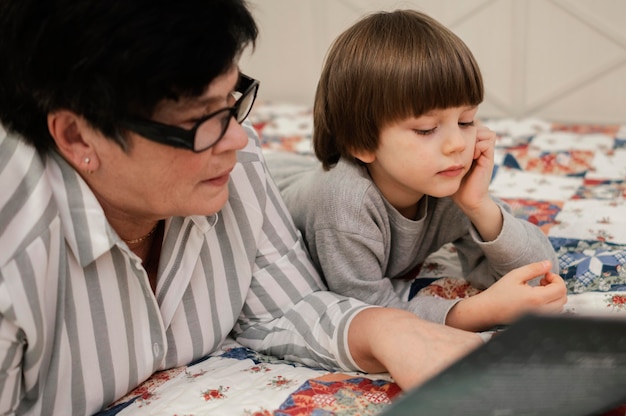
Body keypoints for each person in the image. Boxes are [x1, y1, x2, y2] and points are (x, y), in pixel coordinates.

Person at [0, 1, 490, 414]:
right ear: (77, 135)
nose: (237, 137)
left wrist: (388, 328)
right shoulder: (15, 250)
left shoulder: (239, 162)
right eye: (199, 119)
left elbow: (287, 306)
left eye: (231, 101)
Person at [266, 10, 567, 333]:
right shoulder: (345, 203)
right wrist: (476, 311)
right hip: (278, 182)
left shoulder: (445, 180)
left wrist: (480, 207)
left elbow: (540, 274)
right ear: (360, 142)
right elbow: (365, 314)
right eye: (425, 129)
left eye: (466, 121)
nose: (457, 145)